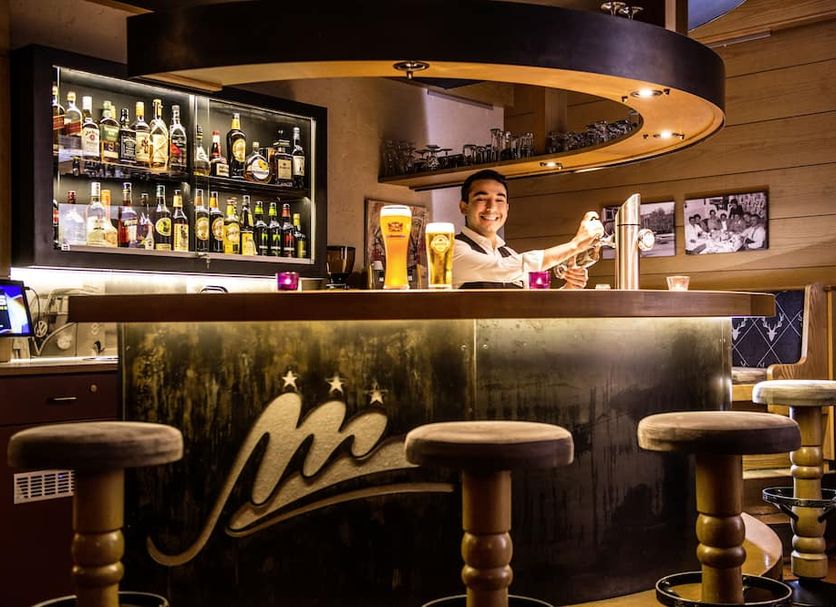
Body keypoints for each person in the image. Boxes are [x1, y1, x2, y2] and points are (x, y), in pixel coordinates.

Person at [452, 169, 603, 289]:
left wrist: (570, 287)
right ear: (464, 207)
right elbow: (503, 269)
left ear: (507, 208)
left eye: (499, 200)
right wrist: (575, 245)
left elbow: (538, 302)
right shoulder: (451, 251)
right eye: (481, 199)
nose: (492, 208)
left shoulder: (509, 253)